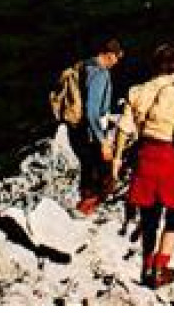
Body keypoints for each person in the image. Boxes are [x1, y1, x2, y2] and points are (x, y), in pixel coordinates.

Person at [112, 44, 174, 289]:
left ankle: (146, 266)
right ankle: (160, 266)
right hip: (170, 160)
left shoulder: (136, 92)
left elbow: (124, 128)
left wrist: (116, 159)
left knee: (149, 215)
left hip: (145, 157)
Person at [70, 38, 124, 215]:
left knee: (87, 167)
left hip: (77, 128)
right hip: (91, 131)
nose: (116, 63)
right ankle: (88, 208)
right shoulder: (100, 74)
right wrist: (103, 141)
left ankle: (84, 206)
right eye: (116, 58)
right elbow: (93, 111)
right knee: (101, 170)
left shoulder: (82, 67)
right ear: (109, 55)